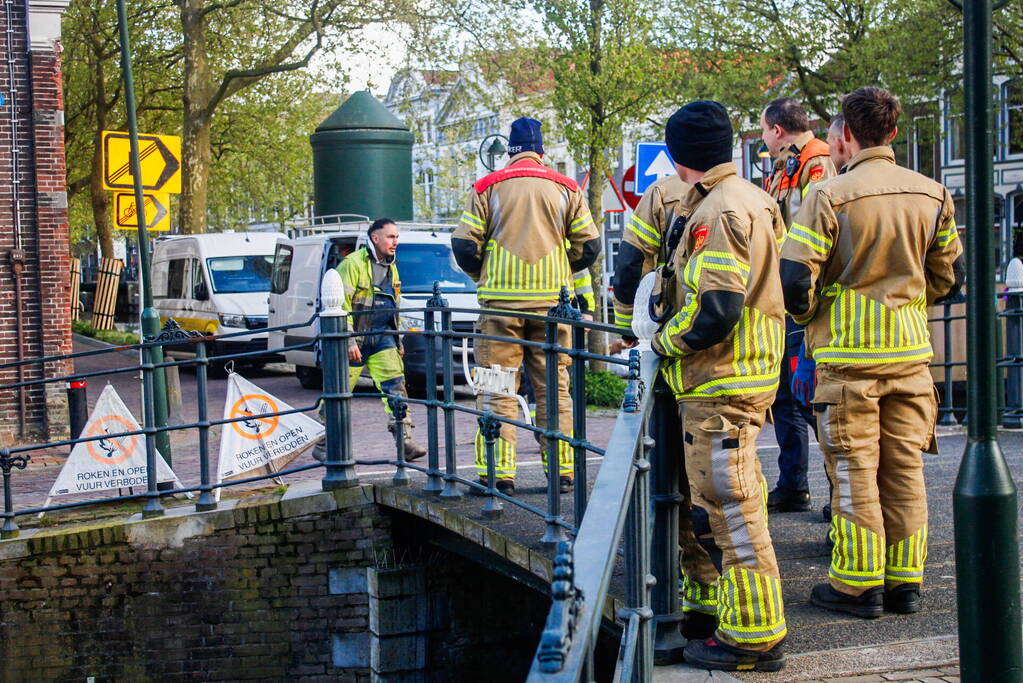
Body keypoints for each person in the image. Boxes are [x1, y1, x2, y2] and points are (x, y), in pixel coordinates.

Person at [780, 87, 964, 619]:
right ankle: (905, 581)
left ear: (847, 135)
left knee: (855, 468)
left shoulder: (829, 196)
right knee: (905, 468)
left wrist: (811, 316)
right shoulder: (932, 193)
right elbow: (947, 273)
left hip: (847, 362)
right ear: (893, 132)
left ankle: (859, 587)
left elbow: (795, 277)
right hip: (910, 356)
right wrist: (909, 302)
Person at [652, 101, 787, 672]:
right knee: (733, 500)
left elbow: (717, 310)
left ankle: (753, 635)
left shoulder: (718, 211)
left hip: (722, 379)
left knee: (731, 506)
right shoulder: (753, 196)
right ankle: (740, 618)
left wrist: (658, 344)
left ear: (678, 154)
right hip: (746, 373)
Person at [452, 117, 601, 496]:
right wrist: (563, 269)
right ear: (541, 150)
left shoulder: (486, 187)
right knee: (555, 390)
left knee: (496, 390)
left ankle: (497, 474)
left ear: (509, 150)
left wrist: (483, 273)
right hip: (553, 308)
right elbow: (590, 247)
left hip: (500, 308)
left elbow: (465, 246)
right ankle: (563, 470)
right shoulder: (568, 188)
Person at [760, 97, 838, 514]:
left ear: (776, 129)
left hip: (804, 300)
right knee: (785, 397)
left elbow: (815, 231)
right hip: (786, 298)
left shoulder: (816, 162)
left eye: (763, 131)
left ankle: (839, 496)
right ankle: (793, 484)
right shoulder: (786, 165)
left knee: (808, 398)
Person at [320, 218, 426, 462]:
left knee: (396, 389)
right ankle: (325, 443)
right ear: (375, 238)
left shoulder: (392, 266)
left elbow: (393, 305)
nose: (395, 242)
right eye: (391, 237)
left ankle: (405, 442)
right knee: (338, 392)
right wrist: (348, 341)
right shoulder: (353, 264)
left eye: (397, 237)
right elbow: (342, 306)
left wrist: (397, 342)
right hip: (355, 340)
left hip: (382, 338)